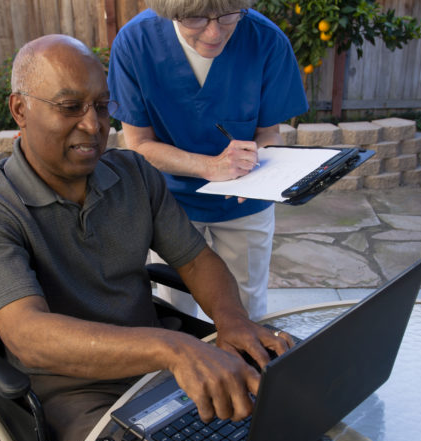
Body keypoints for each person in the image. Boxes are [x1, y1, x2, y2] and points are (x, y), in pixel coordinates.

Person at [0, 34, 293, 441]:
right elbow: (28, 336)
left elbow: (197, 260)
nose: (93, 125)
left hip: (158, 369)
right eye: (69, 107)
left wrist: (232, 321)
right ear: (20, 110)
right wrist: (172, 348)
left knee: (287, 414)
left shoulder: (134, 175)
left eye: (101, 106)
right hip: (71, 392)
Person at [108, 0, 308, 321]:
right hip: (170, 202)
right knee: (176, 308)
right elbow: (139, 144)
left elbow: (269, 134)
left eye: (228, 15)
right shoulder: (135, 43)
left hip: (244, 202)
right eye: (195, 19)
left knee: (247, 308)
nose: (214, 32)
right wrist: (212, 167)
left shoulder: (266, 40)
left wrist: (257, 175)